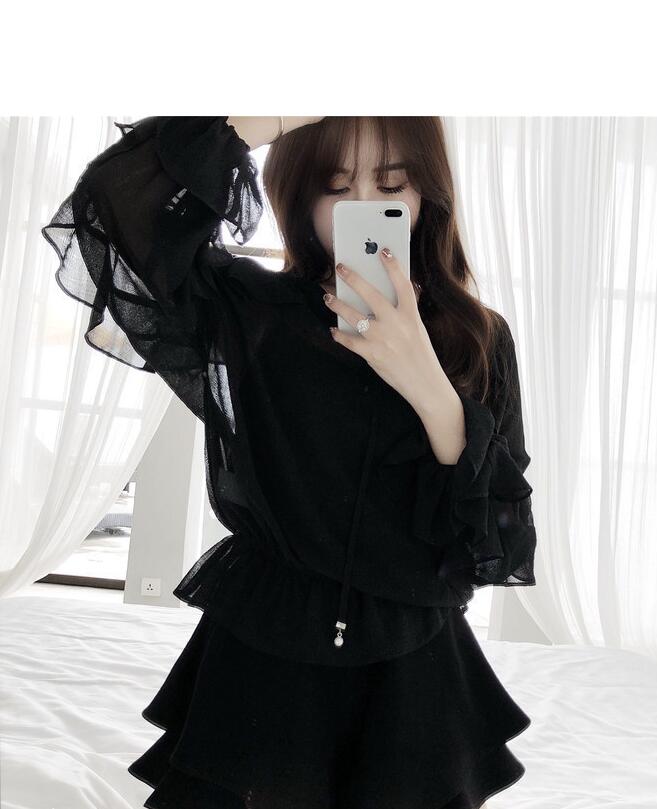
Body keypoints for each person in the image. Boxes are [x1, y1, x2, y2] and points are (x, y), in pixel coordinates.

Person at [41, 115, 537, 809]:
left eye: (391, 184)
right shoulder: (254, 314)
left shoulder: (476, 338)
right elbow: (113, 218)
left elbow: (493, 548)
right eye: (336, 185)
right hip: (261, 657)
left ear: (426, 193)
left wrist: (429, 387)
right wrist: (266, 118)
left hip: (411, 679)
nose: (364, 206)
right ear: (300, 196)